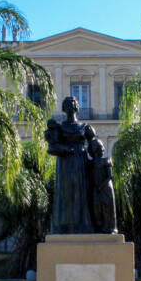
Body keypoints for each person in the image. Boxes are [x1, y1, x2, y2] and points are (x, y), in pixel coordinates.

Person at [46, 97, 95, 233]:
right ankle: (64, 225)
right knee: (66, 192)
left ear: (77, 107)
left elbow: (95, 147)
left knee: (82, 192)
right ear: (63, 108)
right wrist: (65, 149)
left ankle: (84, 224)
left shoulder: (85, 127)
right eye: (67, 104)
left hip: (81, 161)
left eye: (73, 103)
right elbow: (52, 147)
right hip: (65, 163)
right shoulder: (59, 128)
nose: (70, 106)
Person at [88, 137, 117, 233]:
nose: (101, 149)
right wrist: (96, 187)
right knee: (96, 208)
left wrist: (101, 186)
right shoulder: (90, 163)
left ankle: (109, 228)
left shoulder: (107, 160)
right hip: (95, 189)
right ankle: (99, 228)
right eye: (98, 147)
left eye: (101, 147)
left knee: (107, 208)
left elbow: (110, 176)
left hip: (106, 188)